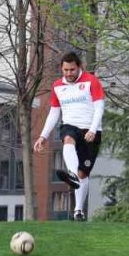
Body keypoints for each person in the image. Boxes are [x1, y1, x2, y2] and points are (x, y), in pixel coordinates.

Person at [32, 51, 106, 222]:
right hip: (70, 126)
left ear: (79, 67)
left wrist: (93, 130)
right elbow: (54, 112)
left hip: (90, 130)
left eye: (72, 70)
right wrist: (43, 136)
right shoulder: (57, 86)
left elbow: (99, 107)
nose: (68, 73)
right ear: (61, 68)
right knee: (67, 139)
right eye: (65, 70)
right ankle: (71, 173)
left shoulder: (91, 81)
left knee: (83, 174)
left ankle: (78, 210)